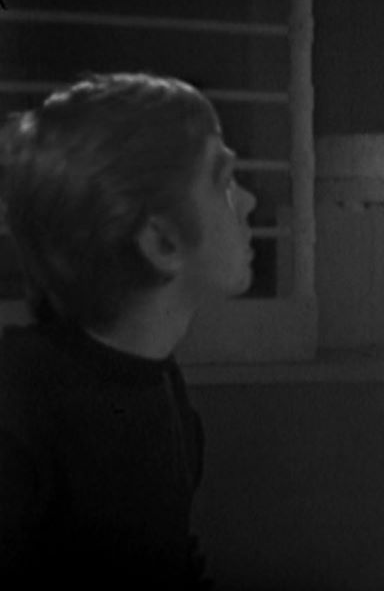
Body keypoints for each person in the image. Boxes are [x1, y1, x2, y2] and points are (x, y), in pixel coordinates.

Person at [0, 72, 257, 589]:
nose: (248, 201)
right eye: (223, 180)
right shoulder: (16, 414)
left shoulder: (159, 381)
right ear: (161, 241)